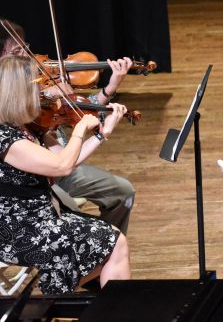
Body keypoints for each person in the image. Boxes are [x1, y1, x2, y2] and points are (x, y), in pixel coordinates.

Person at [0, 55, 130, 293]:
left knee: (114, 240)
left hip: (42, 218)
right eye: (36, 85)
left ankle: (61, 298)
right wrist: (80, 129)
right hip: (17, 231)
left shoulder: (26, 126)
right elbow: (61, 167)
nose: (42, 92)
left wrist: (102, 135)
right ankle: (51, 301)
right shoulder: (6, 139)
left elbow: (70, 159)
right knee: (113, 244)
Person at [0, 19, 135, 234]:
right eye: (18, 51)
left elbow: (73, 112)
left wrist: (109, 89)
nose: (28, 56)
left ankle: (106, 254)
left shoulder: (33, 87)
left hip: (61, 164)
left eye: (26, 47)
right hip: (36, 185)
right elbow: (59, 164)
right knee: (73, 218)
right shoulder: (11, 107)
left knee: (123, 193)